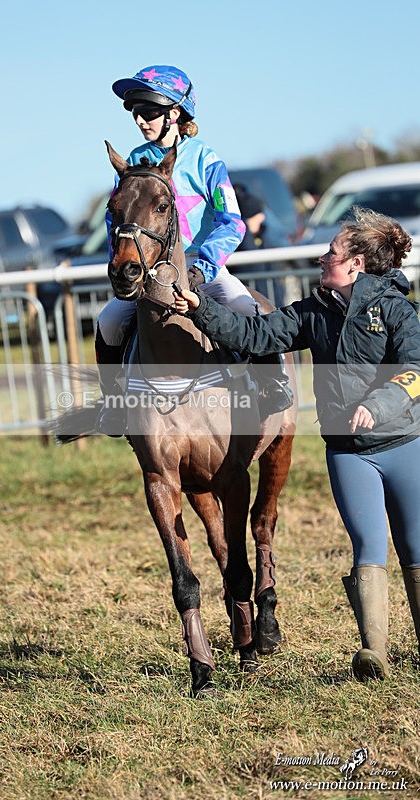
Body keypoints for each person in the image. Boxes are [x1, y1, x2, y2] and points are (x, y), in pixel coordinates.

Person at [172, 207, 420, 681]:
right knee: (368, 547)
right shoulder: (313, 312)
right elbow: (255, 335)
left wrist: (380, 405)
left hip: (404, 444)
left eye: (331, 252)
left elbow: (415, 369)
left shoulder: (395, 309)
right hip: (349, 451)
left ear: (356, 264)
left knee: (415, 549)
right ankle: (375, 654)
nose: (321, 258)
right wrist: (200, 307)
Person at [96, 64, 293, 434]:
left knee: (246, 307)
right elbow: (115, 221)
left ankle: (272, 383)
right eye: (135, 112)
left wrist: (202, 267)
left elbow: (232, 221)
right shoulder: (133, 161)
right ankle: (114, 403)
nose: (140, 120)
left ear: (175, 113)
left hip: (203, 268)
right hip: (149, 273)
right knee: (108, 321)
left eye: (149, 111)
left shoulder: (206, 159)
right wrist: (122, 262)